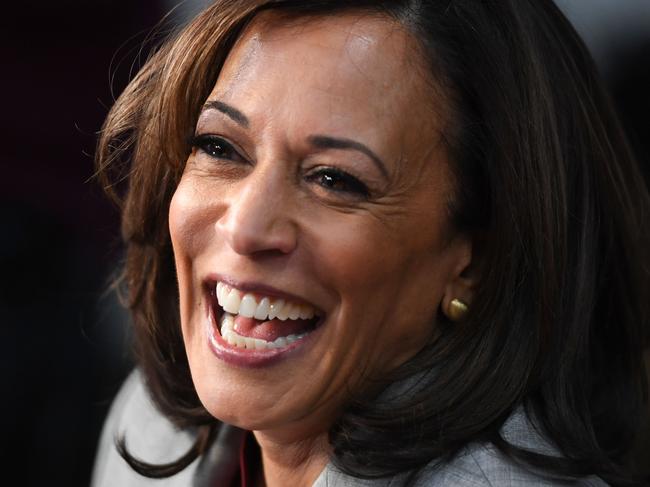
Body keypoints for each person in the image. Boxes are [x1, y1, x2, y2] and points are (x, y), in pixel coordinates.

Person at [91, 1, 650, 486]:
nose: (245, 227)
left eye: (335, 179)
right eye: (220, 147)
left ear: (475, 264)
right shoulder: (149, 427)